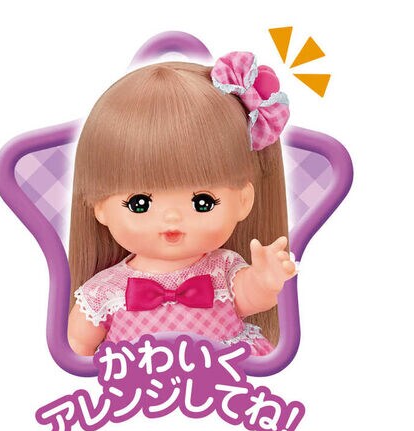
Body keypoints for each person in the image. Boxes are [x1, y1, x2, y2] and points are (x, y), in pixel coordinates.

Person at [67, 51, 296, 356]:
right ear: (100, 208)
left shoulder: (221, 270)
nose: (172, 218)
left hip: (224, 372)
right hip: (139, 379)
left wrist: (265, 281)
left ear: (243, 200)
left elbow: (250, 297)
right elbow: (77, 344)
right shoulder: (107, 290)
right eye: (139, 203)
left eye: (202, 202)